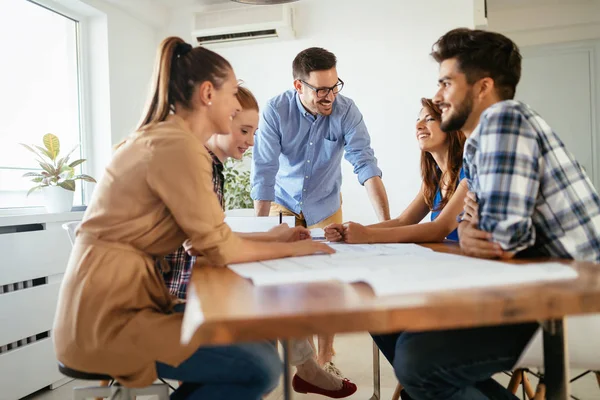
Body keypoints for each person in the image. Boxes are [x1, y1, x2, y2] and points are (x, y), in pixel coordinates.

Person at [52, 36, 334, 400]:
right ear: (207, 94)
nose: (236, 105)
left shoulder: (173, 141)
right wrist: (297, 251)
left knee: (259, 341)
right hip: (108, 319)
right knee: (259, 367)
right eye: (233, 93)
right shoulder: (176, 145)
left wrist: (281, 243)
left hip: (128, 303)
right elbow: (217, 248)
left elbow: (211, 236)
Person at [391, 28, 600, 400]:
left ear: (483, 86)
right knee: (394, 327)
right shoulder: (477, 144)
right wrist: (472, 227)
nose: (438, 97)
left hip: (578, 300)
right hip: (545, 285)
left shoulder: (504, 119)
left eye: (445, 83)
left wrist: (474, 229)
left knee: (418, 361)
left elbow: (499, 243)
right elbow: (477, 229)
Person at [162, 85, 357, 398]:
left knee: (267, 304)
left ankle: (305, 369)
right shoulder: (196, 165)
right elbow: (202, 245)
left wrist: (269, 236)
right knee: (263, 364)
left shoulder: (207, 165)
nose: (252, 142)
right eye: (243, 130)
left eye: (254, 132)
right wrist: (286, 247)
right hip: (166, 306)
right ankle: (305, 370)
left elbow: (206, 237)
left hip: (180, 298)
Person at [251, 46, 391, 378]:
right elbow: (264, 170)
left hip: (325, 202)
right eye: (320, 90)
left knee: (328, 281)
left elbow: (365, 164)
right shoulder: (275, 110)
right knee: (279, 278)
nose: (329, 96)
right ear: (299, 85)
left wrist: (387, 227)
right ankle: (285, 361)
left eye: (334, 86)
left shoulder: (347, 111)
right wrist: (259, 231)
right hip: (281, 201)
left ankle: (325, 358)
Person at [324, 98, 467, 244]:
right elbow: (403, 221)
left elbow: (439, 229)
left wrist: (368, 235)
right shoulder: (434, 177)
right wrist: (348, 231)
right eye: (418, 120)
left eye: (429, 119)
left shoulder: (468, 175)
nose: (418, 125)